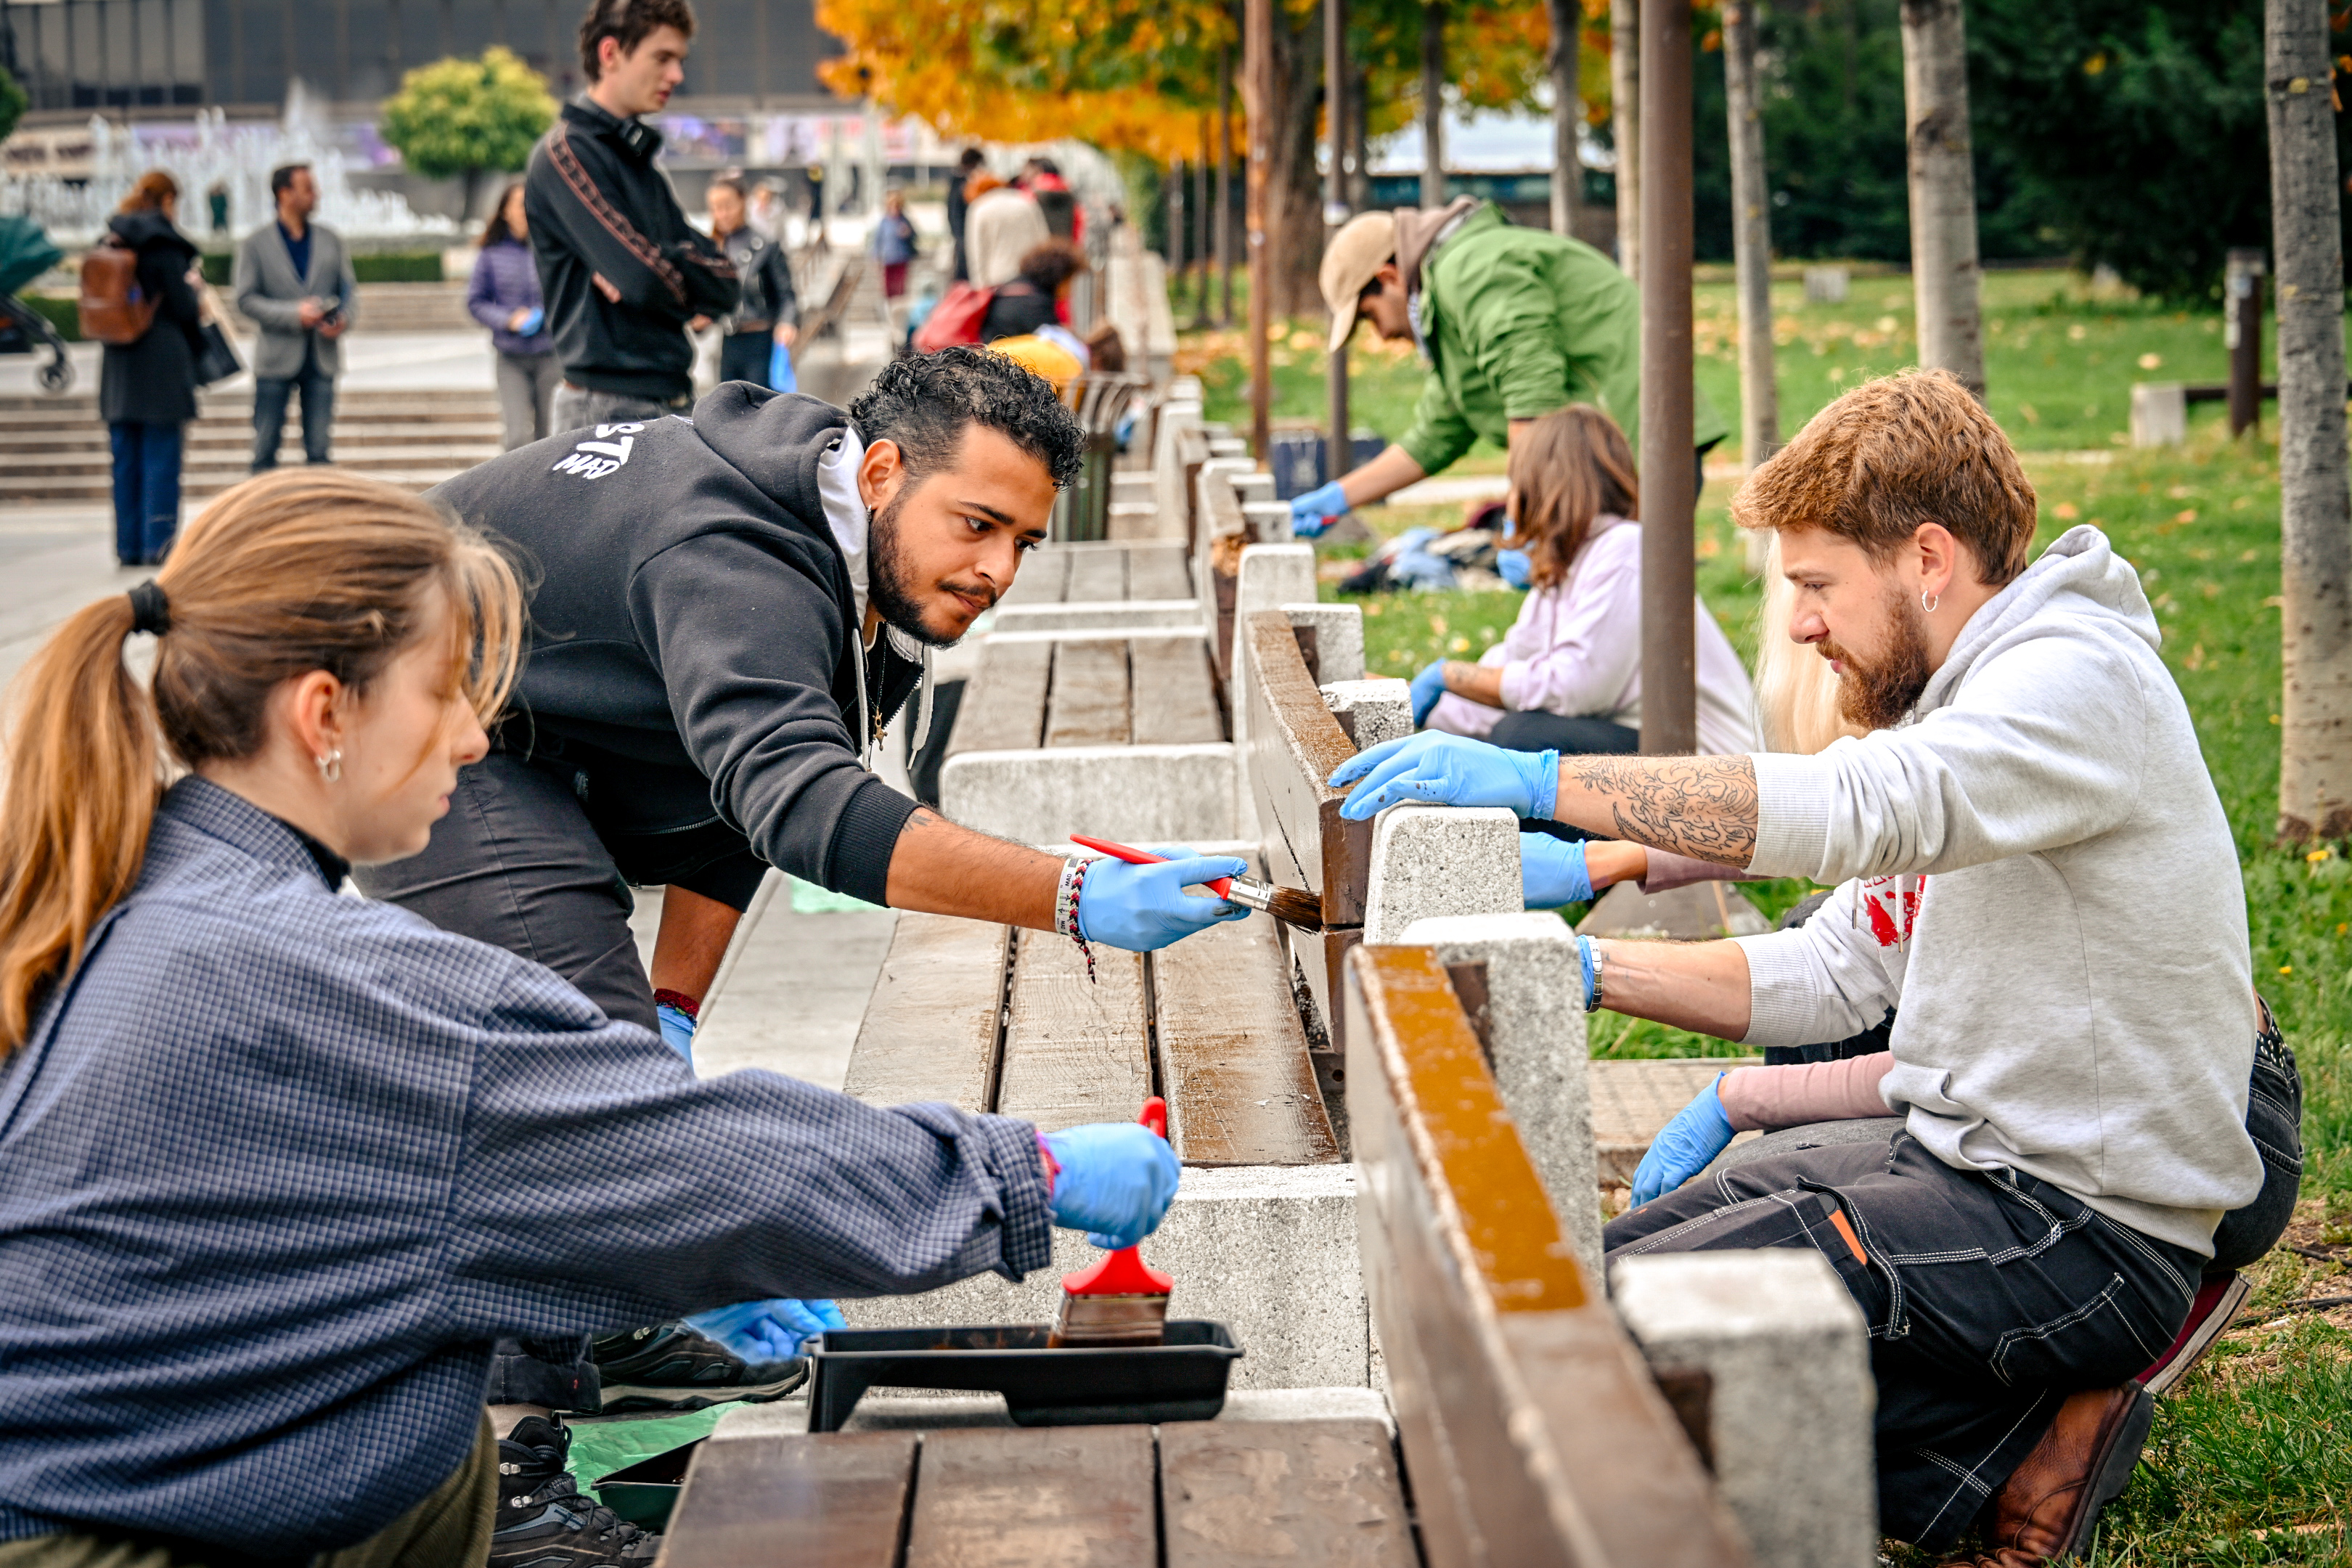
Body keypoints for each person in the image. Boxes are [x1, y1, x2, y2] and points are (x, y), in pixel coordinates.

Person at [0, 467, 1183, 1568]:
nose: (476, 738)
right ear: (323, 716)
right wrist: (1032, 1171)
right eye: (447, 692)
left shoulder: (113, 895)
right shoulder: (337, 980)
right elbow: (698, 1163)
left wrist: (647, 1247)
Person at [1325, 370, 2267, 1565]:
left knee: (1613, 1338)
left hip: (2082, 1228)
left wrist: (1547, 783)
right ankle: (2013, 1457)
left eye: (1818, 586)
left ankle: (2009, 1436)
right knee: (1597, 1279)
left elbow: (1861, 807)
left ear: (1928, 559)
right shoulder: (1968, 702)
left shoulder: (2071, 684)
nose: (1806, 625)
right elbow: (1838, 967)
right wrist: (1591, 970)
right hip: (1967, 1162)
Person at [351, 348, 1248, 1471]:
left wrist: (673, 1010)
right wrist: (1069, 894)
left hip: (540, 721)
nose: (997, 569)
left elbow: (731, 810)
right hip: (409, 709)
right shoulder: (733, 553)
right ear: (880, 473)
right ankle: (500, 1467)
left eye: (1023, 541)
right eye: (977, 525)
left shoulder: (877, 575)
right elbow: (803, 804)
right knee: (579, 1071)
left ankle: (601, 1321)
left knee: (621, 1062)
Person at [1289, 200, 1726, 536]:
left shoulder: (1471, 269)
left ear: (1389, 278)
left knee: (1629, 613)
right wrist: (1339, 497)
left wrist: (1524, 512)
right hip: (1614, 460)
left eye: (1370, 317)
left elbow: (1531, 390)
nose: (1382, 335)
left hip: (1639, 449)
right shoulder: (1452, 296)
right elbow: (1436, 434)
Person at [1413, 405, 1759, 765]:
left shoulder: (1626, 550)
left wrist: (1452, 676)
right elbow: (1505, 678)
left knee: (1523, 737)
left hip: (1709, 765)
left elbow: (1574, 689)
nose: (1511, 502)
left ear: (1545, 488)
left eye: (1518, 484)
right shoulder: (1564, 571)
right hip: (1648, 744)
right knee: (1512, 735)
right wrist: (1405, 703)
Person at [525, 0, 740, 431]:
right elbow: (643, 278)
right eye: (662, 58)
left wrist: (654, 263)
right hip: (605, 408)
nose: (676, 75)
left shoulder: (638, 162)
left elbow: (728, 284)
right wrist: (663, 271)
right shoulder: (567, 154)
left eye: (680, 61)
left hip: (671, 399)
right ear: (610, 54)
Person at [98, 171, 203, 568]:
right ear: (168, 200)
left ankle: (128, 546)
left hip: (118, 364)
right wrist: (193, 291)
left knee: (125, 461)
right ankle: (157, 545)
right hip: (161, 362)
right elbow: (183, 307)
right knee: (161, 459)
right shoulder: (163, 243)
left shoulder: (109, 239)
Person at [234, 162, 356, 473]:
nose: (317, 194)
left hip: (322, 357)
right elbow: (245, 299)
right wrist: (293, 314)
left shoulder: (331, 239)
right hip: (275, 359)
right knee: (264, 452)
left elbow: (348, 291)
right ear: (284, 194)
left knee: (320, 453)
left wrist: (343, 319)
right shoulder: (255, 244)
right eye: (308, 189)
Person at [467, 182, 561, 451]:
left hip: (550, 355)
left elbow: (567, 294)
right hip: (511, 358)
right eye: (520, 205)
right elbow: (475, 302)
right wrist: (507, 320)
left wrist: (543, 315)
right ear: (505, 211)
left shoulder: (552, 250)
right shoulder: (491, 254)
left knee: (552, 437)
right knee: (517, 437)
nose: (526, 211)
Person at [706, 175, 799, 390]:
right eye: (716, 208)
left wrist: (787, 322)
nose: (722, 214)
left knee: (761, 404)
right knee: (727, 403)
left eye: (727, 206)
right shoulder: (713, 248)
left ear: (743, 202)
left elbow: (787, 294)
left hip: (760, 341)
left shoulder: (765, 246)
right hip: (729, 342)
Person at [980, 238, 1085, 346]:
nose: (1070, 290)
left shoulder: (1013, 286)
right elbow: (1054, 344)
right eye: (1070, 280)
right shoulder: (1037, 304)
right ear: (1060, 276)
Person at [963, 174, 1049, 289]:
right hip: (1030, 275)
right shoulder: (1027, 202)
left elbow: (977, 250)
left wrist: (979, 285)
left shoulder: (979, 208)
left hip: (997, 277)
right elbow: (1043, 239)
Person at [947, 146, 986, 281]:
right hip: (964, 233)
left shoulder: (960, 180)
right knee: (965, 270)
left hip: (963, 232)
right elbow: (955, 212)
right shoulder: (961, 182)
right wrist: (959, 236)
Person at [873, 188, 918, 302]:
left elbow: (915, 236)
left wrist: (908, 233)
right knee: (888, 289)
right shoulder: (884, 222)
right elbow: (878, 241)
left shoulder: (904, 221)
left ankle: (898, 308)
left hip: (901, 258)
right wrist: (876, 258)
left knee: (900, 289)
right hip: (888, 259)